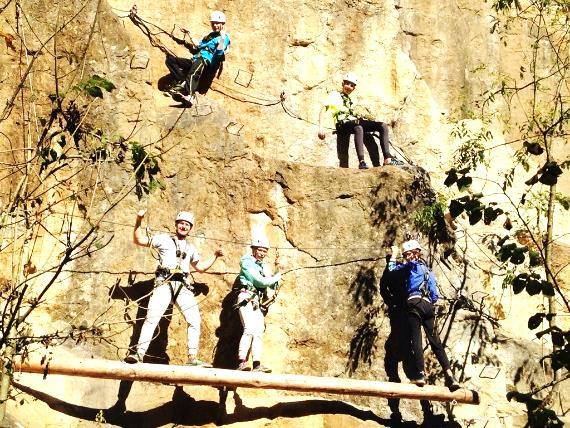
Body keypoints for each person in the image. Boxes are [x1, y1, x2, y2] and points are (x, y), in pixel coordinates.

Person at [125, 209, 223, 367]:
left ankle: (192, 358)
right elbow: (139, 240)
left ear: (190, 228)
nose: (184, 226)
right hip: (164, 282)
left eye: (187, 225)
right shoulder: (163, 239)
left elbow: (201, 267)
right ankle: (139, 353)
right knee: (152, 318)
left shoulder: (190, 248)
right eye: (181, 223)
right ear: (176, 225)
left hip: (183, 286)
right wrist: (138, 220)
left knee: (194, 320)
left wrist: (215, 256)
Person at [388, 239, 460, 390]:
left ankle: (420, 374)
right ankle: (450, 375)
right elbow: (435, 294)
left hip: (414, 303)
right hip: (428, 306)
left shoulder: (410, 266)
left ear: (412, 254)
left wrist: (394, 256)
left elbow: (392, 272)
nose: (406, 257)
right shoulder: (428, 271)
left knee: (416, 340)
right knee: (436, 343)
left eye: (407, 254)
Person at [318, 72, 404, 169]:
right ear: (343, 84)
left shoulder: (350, 100)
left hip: (353, 121)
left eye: (352, 85)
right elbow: (323, 109)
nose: (349, 87)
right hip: (342, 123)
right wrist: (321, 127)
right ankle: (362, 161)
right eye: (347, 83)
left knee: (382, 126)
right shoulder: (334, 95)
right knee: (358, 127)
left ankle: (387, 158)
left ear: (354, 88)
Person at [235, 236, 281, 373]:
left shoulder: (262, 266)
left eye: (264, 251)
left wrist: (278, 270)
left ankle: (256, 364)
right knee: (249, 329)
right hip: (246, 297)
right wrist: (277, 277)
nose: (262, 253)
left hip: (255, 301)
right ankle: (241, 363)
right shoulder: (246, 262)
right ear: (254, 249)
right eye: (260, 250)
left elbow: (272, 283)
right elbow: (260, 281)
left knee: (259, 331)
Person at [165, 10, 231, 105]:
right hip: (195, 59)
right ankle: (182, 81)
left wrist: (222, 38)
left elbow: (220, 52)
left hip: (206, 60)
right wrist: (188, 34)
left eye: (217, 23)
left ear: (222, 23)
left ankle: (189, 95)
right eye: (213, 23)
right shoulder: (209, 36)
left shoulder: (224, 37)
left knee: (193, 73)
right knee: (170, 60)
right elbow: (198, 45)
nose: (215, 25)